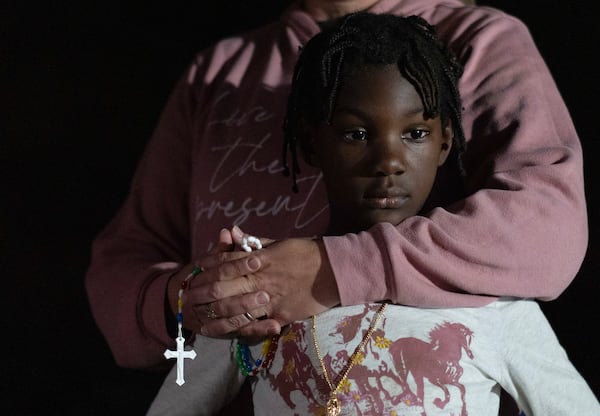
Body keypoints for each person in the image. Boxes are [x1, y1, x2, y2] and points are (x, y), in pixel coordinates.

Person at [84, 0, 588, 406]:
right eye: (353, 133)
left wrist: (330, 267)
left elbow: (547, 226)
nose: (387, 160)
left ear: (443, 139)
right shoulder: (218, 73)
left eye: (415, 132)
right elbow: (123, 268)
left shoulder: (475, 40)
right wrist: (190, 300)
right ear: (310, 142)